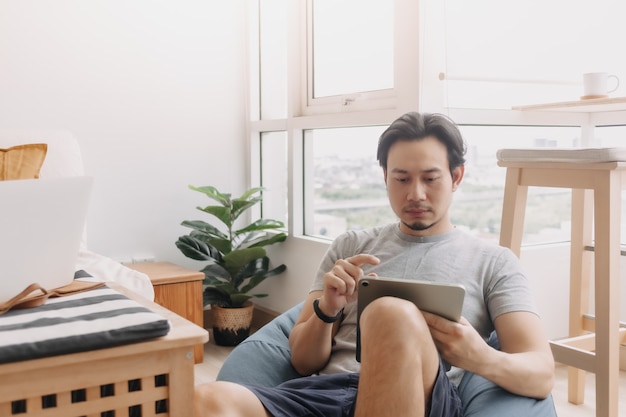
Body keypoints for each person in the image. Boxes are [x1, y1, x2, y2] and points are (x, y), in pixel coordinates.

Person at [194, 111, 557, 417]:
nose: (415, 193)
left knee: (390, 315)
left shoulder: (494, 262)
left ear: (456, 177)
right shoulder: (351, 246)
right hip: (327, 394)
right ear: (385, 177)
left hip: (425, 397)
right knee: (206, 400)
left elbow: (541, 373)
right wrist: (327, 310)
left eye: (430, 179)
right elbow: (304, 362)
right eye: (401, 179)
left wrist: (479, 357)